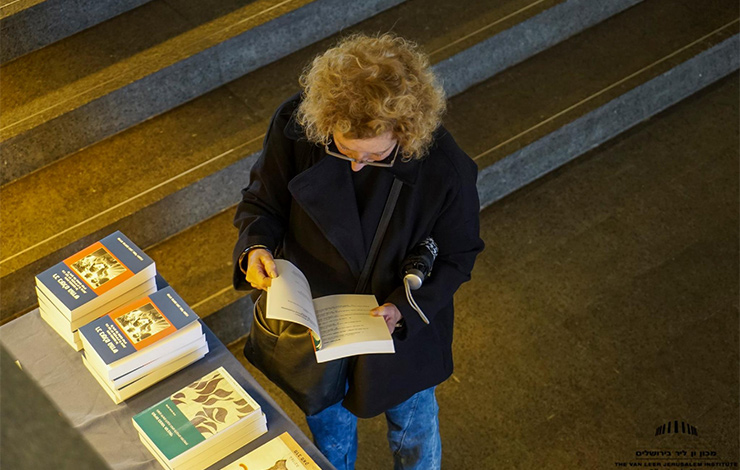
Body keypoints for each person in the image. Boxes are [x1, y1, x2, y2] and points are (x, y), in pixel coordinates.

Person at [232, 33, 484, 470]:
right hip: (317, 317)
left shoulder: (445, 168)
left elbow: (460, 254)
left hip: (397, 326)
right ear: (324, 120)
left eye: (373, 157)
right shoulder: (297, 125)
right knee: (329, 439)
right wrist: (255, 246)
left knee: (414, 432)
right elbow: (263, 199)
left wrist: (404, 308)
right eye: (343, 150)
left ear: (406, 133)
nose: (355, 166)